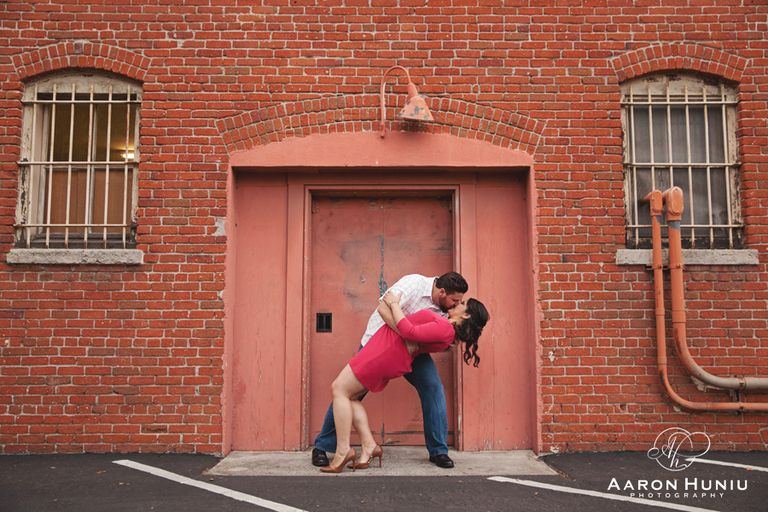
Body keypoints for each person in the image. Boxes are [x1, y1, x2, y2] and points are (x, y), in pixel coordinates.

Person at [319, 289, 489, 473]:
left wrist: (394, 304)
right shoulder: (448, 331)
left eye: (462, 304)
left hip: (384, 351)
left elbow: (409, 331)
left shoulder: (446, 329)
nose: (457, 303)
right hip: (387, 352)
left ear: (466, 314)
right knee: (349, 397)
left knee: (339, 389)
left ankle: (343, 450)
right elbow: (415, 336)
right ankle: (369, 446)